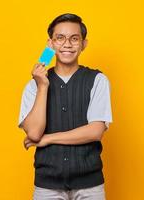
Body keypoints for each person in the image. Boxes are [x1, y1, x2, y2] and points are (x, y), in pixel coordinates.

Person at [18, 13, 112, 200]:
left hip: (89, 184)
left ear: (83, 44)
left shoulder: (97, 80)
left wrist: (49, 139)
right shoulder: (33, 86)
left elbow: (95, 131)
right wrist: (43, 85)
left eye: (74, 38)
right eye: (60, 38)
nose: (67, 44)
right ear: (50, 44)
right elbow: (35, 134)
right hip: (47, 185)